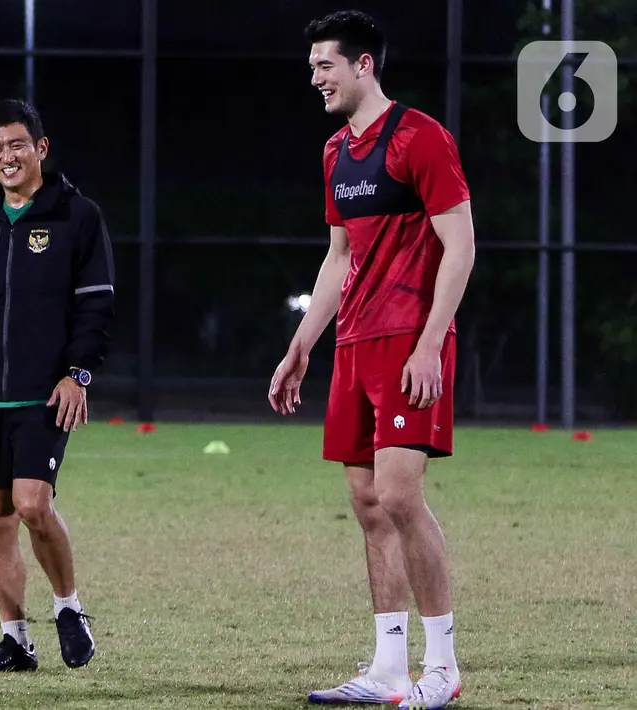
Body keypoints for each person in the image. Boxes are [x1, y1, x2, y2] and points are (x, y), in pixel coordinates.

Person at [268, 11, 473, 710]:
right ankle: (389, 665)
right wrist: (301, 345)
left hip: (409, 340)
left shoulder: (419, 137)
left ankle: (440, 666)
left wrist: (428, 342)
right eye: (311, 67)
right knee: (365, 503)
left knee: (397, 494)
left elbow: (461, 244)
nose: (315, 77)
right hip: (354, 342)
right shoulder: (333, 153)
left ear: (363, 66)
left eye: (325, 64)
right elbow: (340, 257)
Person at [0, 99, 114, 673]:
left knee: (34, 504)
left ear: (41, 148)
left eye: (16, 145)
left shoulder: (77, 215)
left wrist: (78, 373)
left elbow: (95, 305)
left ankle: (69, 607)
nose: (6, 157)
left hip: (43, 391)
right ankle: (14, 640)